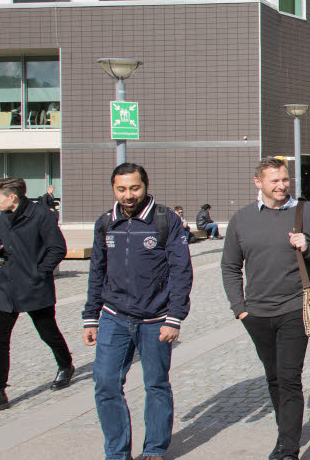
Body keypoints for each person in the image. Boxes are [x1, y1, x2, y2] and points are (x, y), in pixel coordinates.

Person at [222, 158, 310, 460]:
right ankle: (285, 432)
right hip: (256, 314)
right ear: (258, 182)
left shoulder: (306, 212)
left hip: (295, 309)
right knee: (273, 377)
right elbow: (230, 267)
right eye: (274, 180)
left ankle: (288, 449)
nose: (281, 185)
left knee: (288, 378)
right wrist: (240, 309)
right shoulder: (241, 219)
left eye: (285, 179)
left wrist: (308, 247)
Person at [83, 163, 193, 460]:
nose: (128, 195)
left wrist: (175, 317)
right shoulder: (105, 222)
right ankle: (117, 453)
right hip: (114, 316)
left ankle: (154, 449)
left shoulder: (165, 220)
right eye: (121, 189)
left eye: (134, 188)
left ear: (145, 185)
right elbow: (97, 271)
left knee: (156, 384)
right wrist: (90, 316)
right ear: (113, 189)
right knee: (105, 383)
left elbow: (181, 270)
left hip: (156, 319)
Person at [0, 178, 72, 415]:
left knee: (47, 331)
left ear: (12, 197)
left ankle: (66, 364)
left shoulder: (42, 215)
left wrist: (39, 273)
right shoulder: (5, 215)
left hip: (34, 286)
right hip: (7, 286)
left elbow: (58, 249)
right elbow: (9, 248)